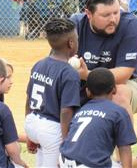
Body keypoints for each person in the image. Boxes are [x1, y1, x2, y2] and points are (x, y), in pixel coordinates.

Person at [71, 0, 137, 119]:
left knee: (118, 93)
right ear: (88, 14)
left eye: (116, 12)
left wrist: (87, 75)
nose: (113, 19)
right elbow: (59, 64)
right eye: (105, 15)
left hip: (125, 83)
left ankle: (123, 141)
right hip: (85, 82)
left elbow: (124, 73)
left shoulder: (130, 25)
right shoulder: (76, 24)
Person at [24, 18, 81, 167]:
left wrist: (29, 133)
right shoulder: (69, 73)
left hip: (32, 122)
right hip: (51, 130)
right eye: (76, 38)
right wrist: (66, 141)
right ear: (71, 43)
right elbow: (66, 112)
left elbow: (28, 100)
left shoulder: (39, 64)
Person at [60, 68, 137, 167]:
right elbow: (125, 148)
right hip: (89, 164)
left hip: (64, 160)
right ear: (114, 89)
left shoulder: (82, 110)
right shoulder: (118, 112)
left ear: (88, 91)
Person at [0, 57, 28, 168]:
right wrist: (21, 163)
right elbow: (12, 149)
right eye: (8, 77)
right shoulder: (1, 109)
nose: (11, 81)